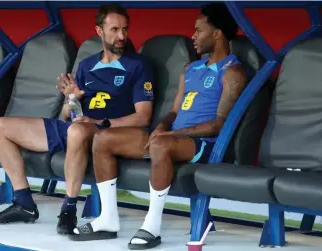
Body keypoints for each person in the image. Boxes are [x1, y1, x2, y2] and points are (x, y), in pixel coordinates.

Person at [67, 2, 249, 250]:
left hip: (204, 144)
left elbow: (219, 124)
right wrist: (161, 128)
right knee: (103, 138)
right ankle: (108, 219)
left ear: (217, 33)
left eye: (198, 30)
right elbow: (174, 111)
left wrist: (171, 134)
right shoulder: (190, 68)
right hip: (173, 138)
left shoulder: (232, 72)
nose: (193, 36)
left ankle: (151, 226)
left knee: (161, 144)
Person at [0, 3, 154, 236]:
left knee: (77, 130)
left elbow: (143, 117)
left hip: (107, 133)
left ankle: (68, 210)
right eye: (115, 30)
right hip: (78, 126)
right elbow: (70, 114)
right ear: (99, 31)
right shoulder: (87, 65)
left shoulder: (138, 66)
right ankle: (23, 201)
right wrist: (73, 98)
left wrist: (100, 123)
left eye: (125, 29)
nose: (121, 36)